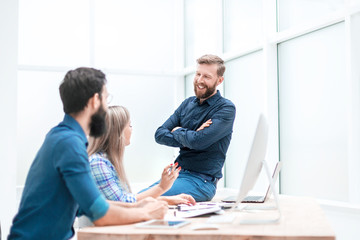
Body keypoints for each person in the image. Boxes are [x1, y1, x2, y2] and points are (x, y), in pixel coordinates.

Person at [8, 67, 167, 240]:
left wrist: (137, 207)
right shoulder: (69, 144)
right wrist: (146, 213)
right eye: (106, 99)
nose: (107, 109)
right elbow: (100, 215)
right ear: (95, 101)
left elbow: (85, 205)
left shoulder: (62, 137)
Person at [141, 54, 236, 202]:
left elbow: (199, 142)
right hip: (177, 174)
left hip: (201, 182)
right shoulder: (187, 104)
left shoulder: (225, 108)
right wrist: (192, 136)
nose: (200, 80)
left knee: (142, 199)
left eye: (206, 76)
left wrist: (178, 130)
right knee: (140, 196)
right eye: (198, 74)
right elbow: (159, 134)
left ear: (219, 80)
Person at [87, 106, 196, 206]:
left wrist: (168, 200)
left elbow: (125, 200)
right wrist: (161, 187)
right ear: (117, 131)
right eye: (129, 125)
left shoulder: (107, 162)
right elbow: (123, 204)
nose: (132, 129)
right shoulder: (98, 163)